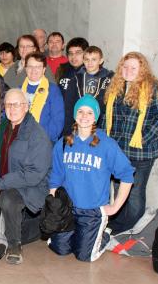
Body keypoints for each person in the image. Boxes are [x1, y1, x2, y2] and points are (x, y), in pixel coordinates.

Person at [48, 95, 135, 262]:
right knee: (60, 249)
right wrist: (53, 205)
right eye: (80, 111)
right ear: (75, 115)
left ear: (96, 117)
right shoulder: (64, 143)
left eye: (89, 112)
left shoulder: (107, 144)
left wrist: (115, 207)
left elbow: (127, 175)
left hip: (92, 211)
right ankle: (82, 236)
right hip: (68, 209)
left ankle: (104, 234)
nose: (84, 116)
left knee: (85, 256)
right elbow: (56, 176)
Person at [102, 52, 158, 234]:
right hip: (117, 153)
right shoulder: (115, 88)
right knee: (118, 193)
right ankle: (118, 227)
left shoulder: (153, 89)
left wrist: (142, 138)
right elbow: (106, 119)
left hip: (141, 154)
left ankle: (129, 228)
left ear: (142, 70)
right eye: (125, 67)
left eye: (134, 67)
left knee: (134, 195)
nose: (128, 70)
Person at [0, 88, 52, 265]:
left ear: (26, 107)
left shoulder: (37, 134)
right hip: (8, 182)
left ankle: (15, 245)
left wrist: (1, 183)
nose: (12, 108)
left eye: (16, 104)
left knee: (9, 200)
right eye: (8, 105)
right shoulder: (4, 127)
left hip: (31, 187)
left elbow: (34, 175)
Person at [62, 46, 113, 136]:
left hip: (100, 126)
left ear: (101, 61)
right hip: (79, 124)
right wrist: (67, 131)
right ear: (83, 60)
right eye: (87, 59)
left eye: (94, 59)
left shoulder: (109, 80)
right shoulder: (75, 79)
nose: (90, 63)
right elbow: (68, 106)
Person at [19, 52, 64, 142]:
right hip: (21, 139)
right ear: (25, 68)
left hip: (44, 140)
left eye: (38, 67)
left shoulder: (52, 90)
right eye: (30, 66)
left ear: (44, 69)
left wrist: (43, 138)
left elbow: (57, 121)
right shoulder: (19, 90)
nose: (33, 70)